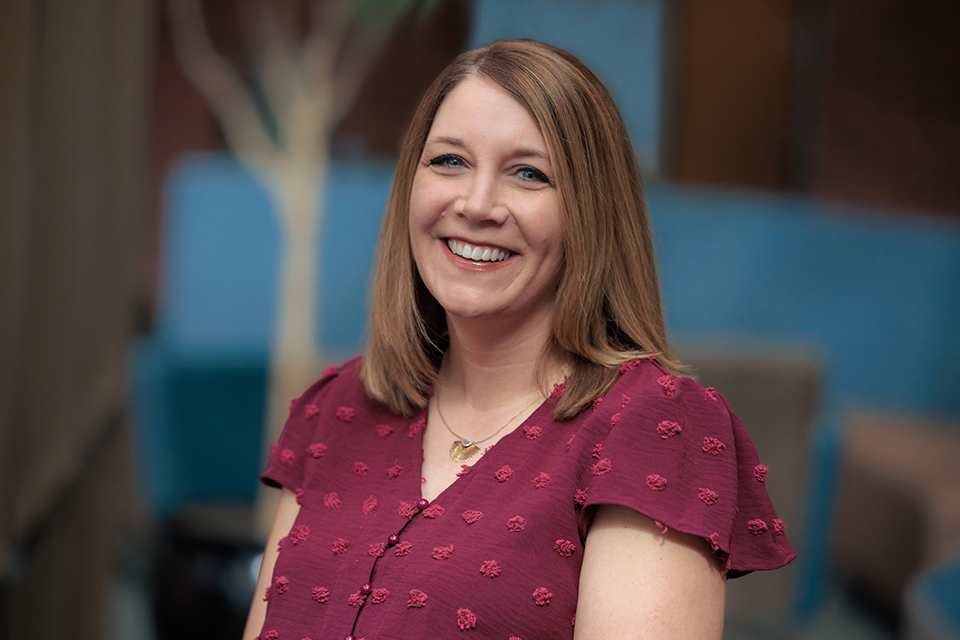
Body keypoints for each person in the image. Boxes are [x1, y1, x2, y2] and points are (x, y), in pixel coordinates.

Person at [243, 39, 795, 640]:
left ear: (590, 211)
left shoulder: (655, 429)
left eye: (529, 174)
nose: (477, 204)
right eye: (449, 161)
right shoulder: (341, 407)